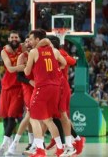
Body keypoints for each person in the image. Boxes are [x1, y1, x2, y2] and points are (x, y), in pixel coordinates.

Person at [24, 29, 67, 157]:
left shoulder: (33, 51)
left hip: (42, 87)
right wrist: (53, 72)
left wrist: (26, 65)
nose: (30, 42)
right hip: (55, 88)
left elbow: (26, 73)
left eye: (31, 39)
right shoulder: (54, 51)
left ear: (38, 40)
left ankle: (40, 150)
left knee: (33, 118)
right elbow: (64, 64)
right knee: (48, 120)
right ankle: (60, 148)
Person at [0, 30, 25, 156]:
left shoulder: (22, 47)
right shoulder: (4, 51)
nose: (14, 39)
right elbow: (10, 69)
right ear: (8, 39)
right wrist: (19, 67)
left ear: (19, 38)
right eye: (12, 37)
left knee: (12, 116)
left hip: (18, 86)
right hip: (6, 86)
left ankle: (4, 146)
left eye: (16, 37)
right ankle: (9, 143)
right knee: (5, 116)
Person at [5, 37, 35, 156]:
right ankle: (15, 144)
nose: (27, 43)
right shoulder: (22, 57)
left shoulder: (37, 54)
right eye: (26, 41)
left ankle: (34, 143)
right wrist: (30, 82)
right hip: (28, 88)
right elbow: (19, 77)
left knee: (35, 118)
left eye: (29, 41)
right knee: (29, 115)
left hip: (40, 87)